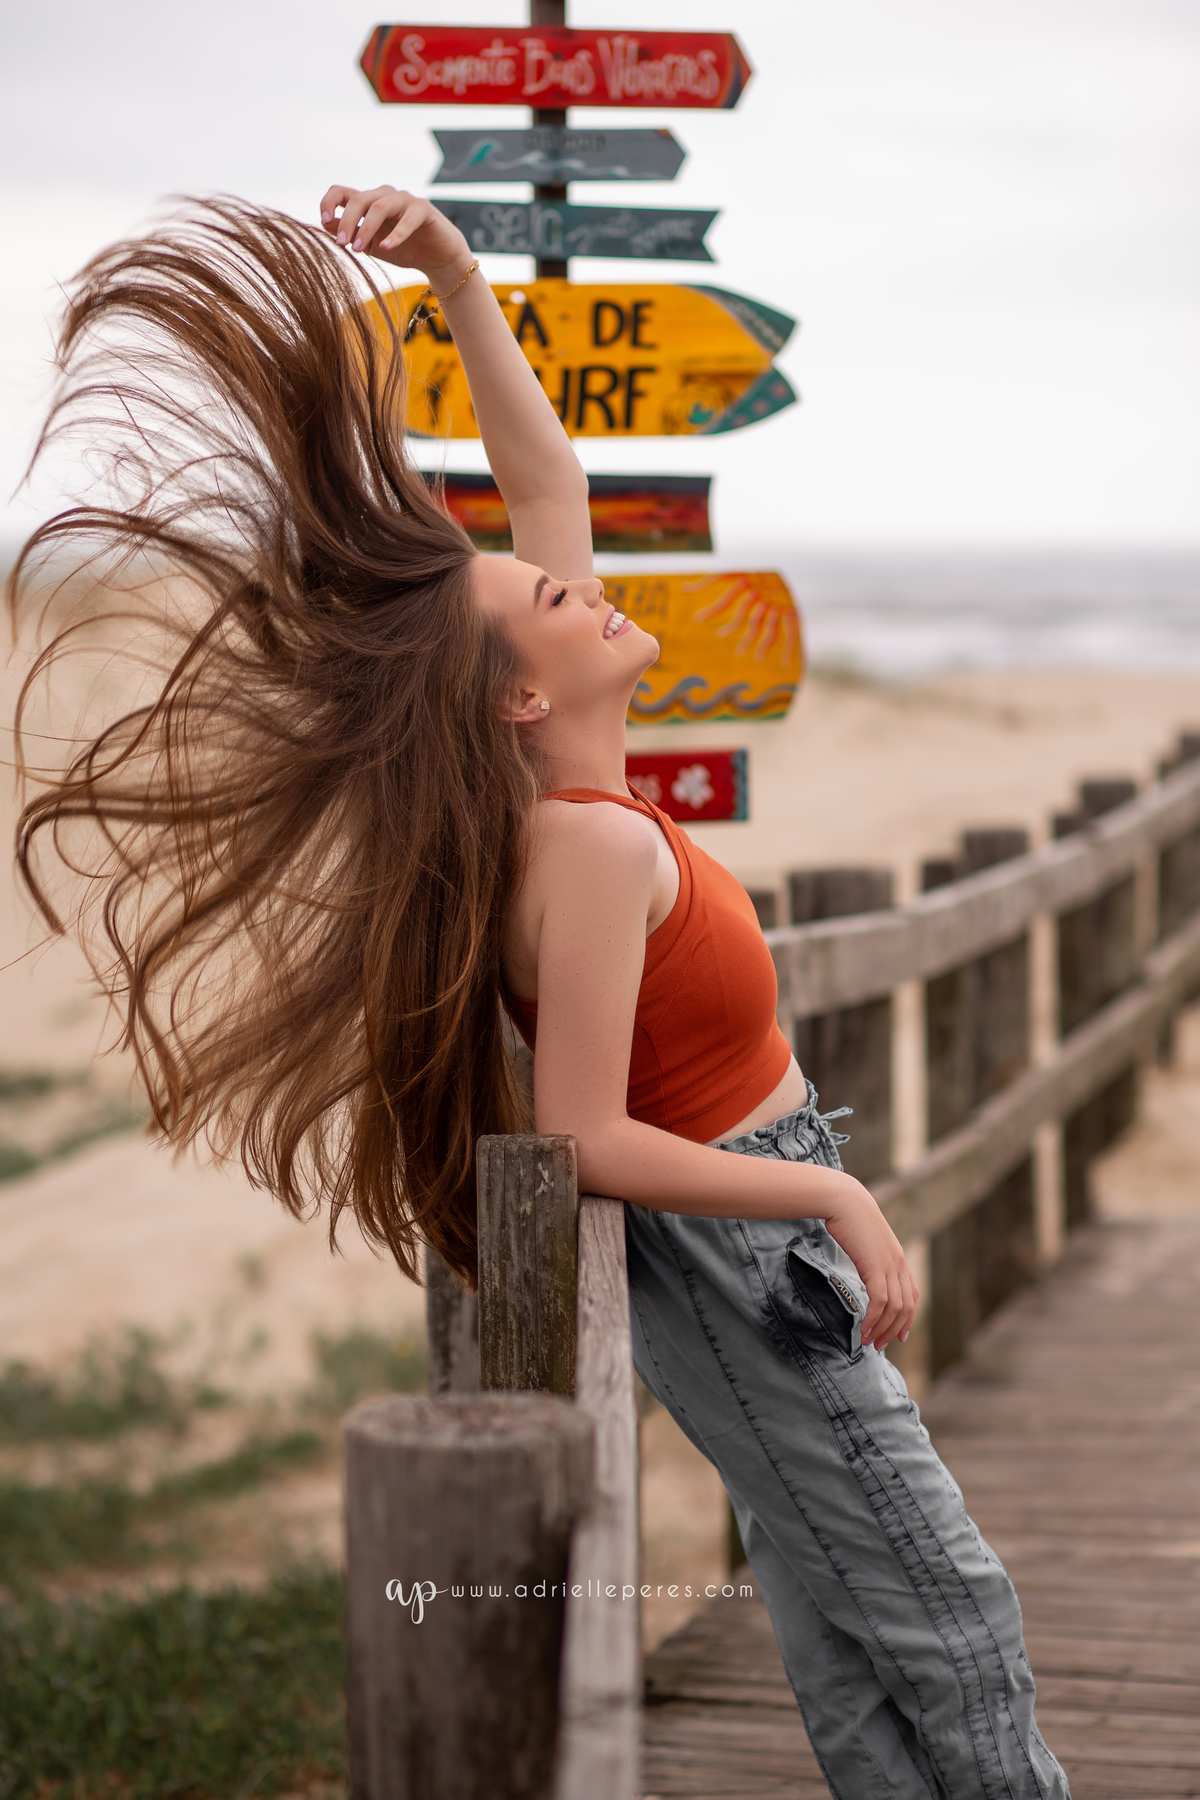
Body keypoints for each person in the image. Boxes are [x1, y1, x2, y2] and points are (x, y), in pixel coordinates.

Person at [9, 186, 1069, 1800]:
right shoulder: (575, 846)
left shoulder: (574, 788)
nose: (566, 574)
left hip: (746, 1238)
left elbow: (546, 474)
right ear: (518, 689)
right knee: (951, 1619)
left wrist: (445, 267)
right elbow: (576, 1135)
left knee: (848, 1634)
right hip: (747, 1254)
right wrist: (835, 1196)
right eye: (539, 593)